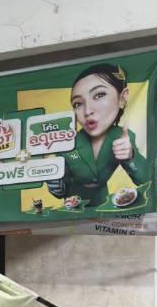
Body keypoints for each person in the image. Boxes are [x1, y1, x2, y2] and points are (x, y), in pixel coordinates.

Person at [47, 61, 148, 210]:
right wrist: (55, 184)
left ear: (122, 98)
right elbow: (61, 189)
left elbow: (146, 180)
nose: (87, 111)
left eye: (99, 95)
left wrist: (130, 156)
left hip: (103, 205)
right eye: (78, 104)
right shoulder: (66, 142)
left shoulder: (121, 136)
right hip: (73, 208)